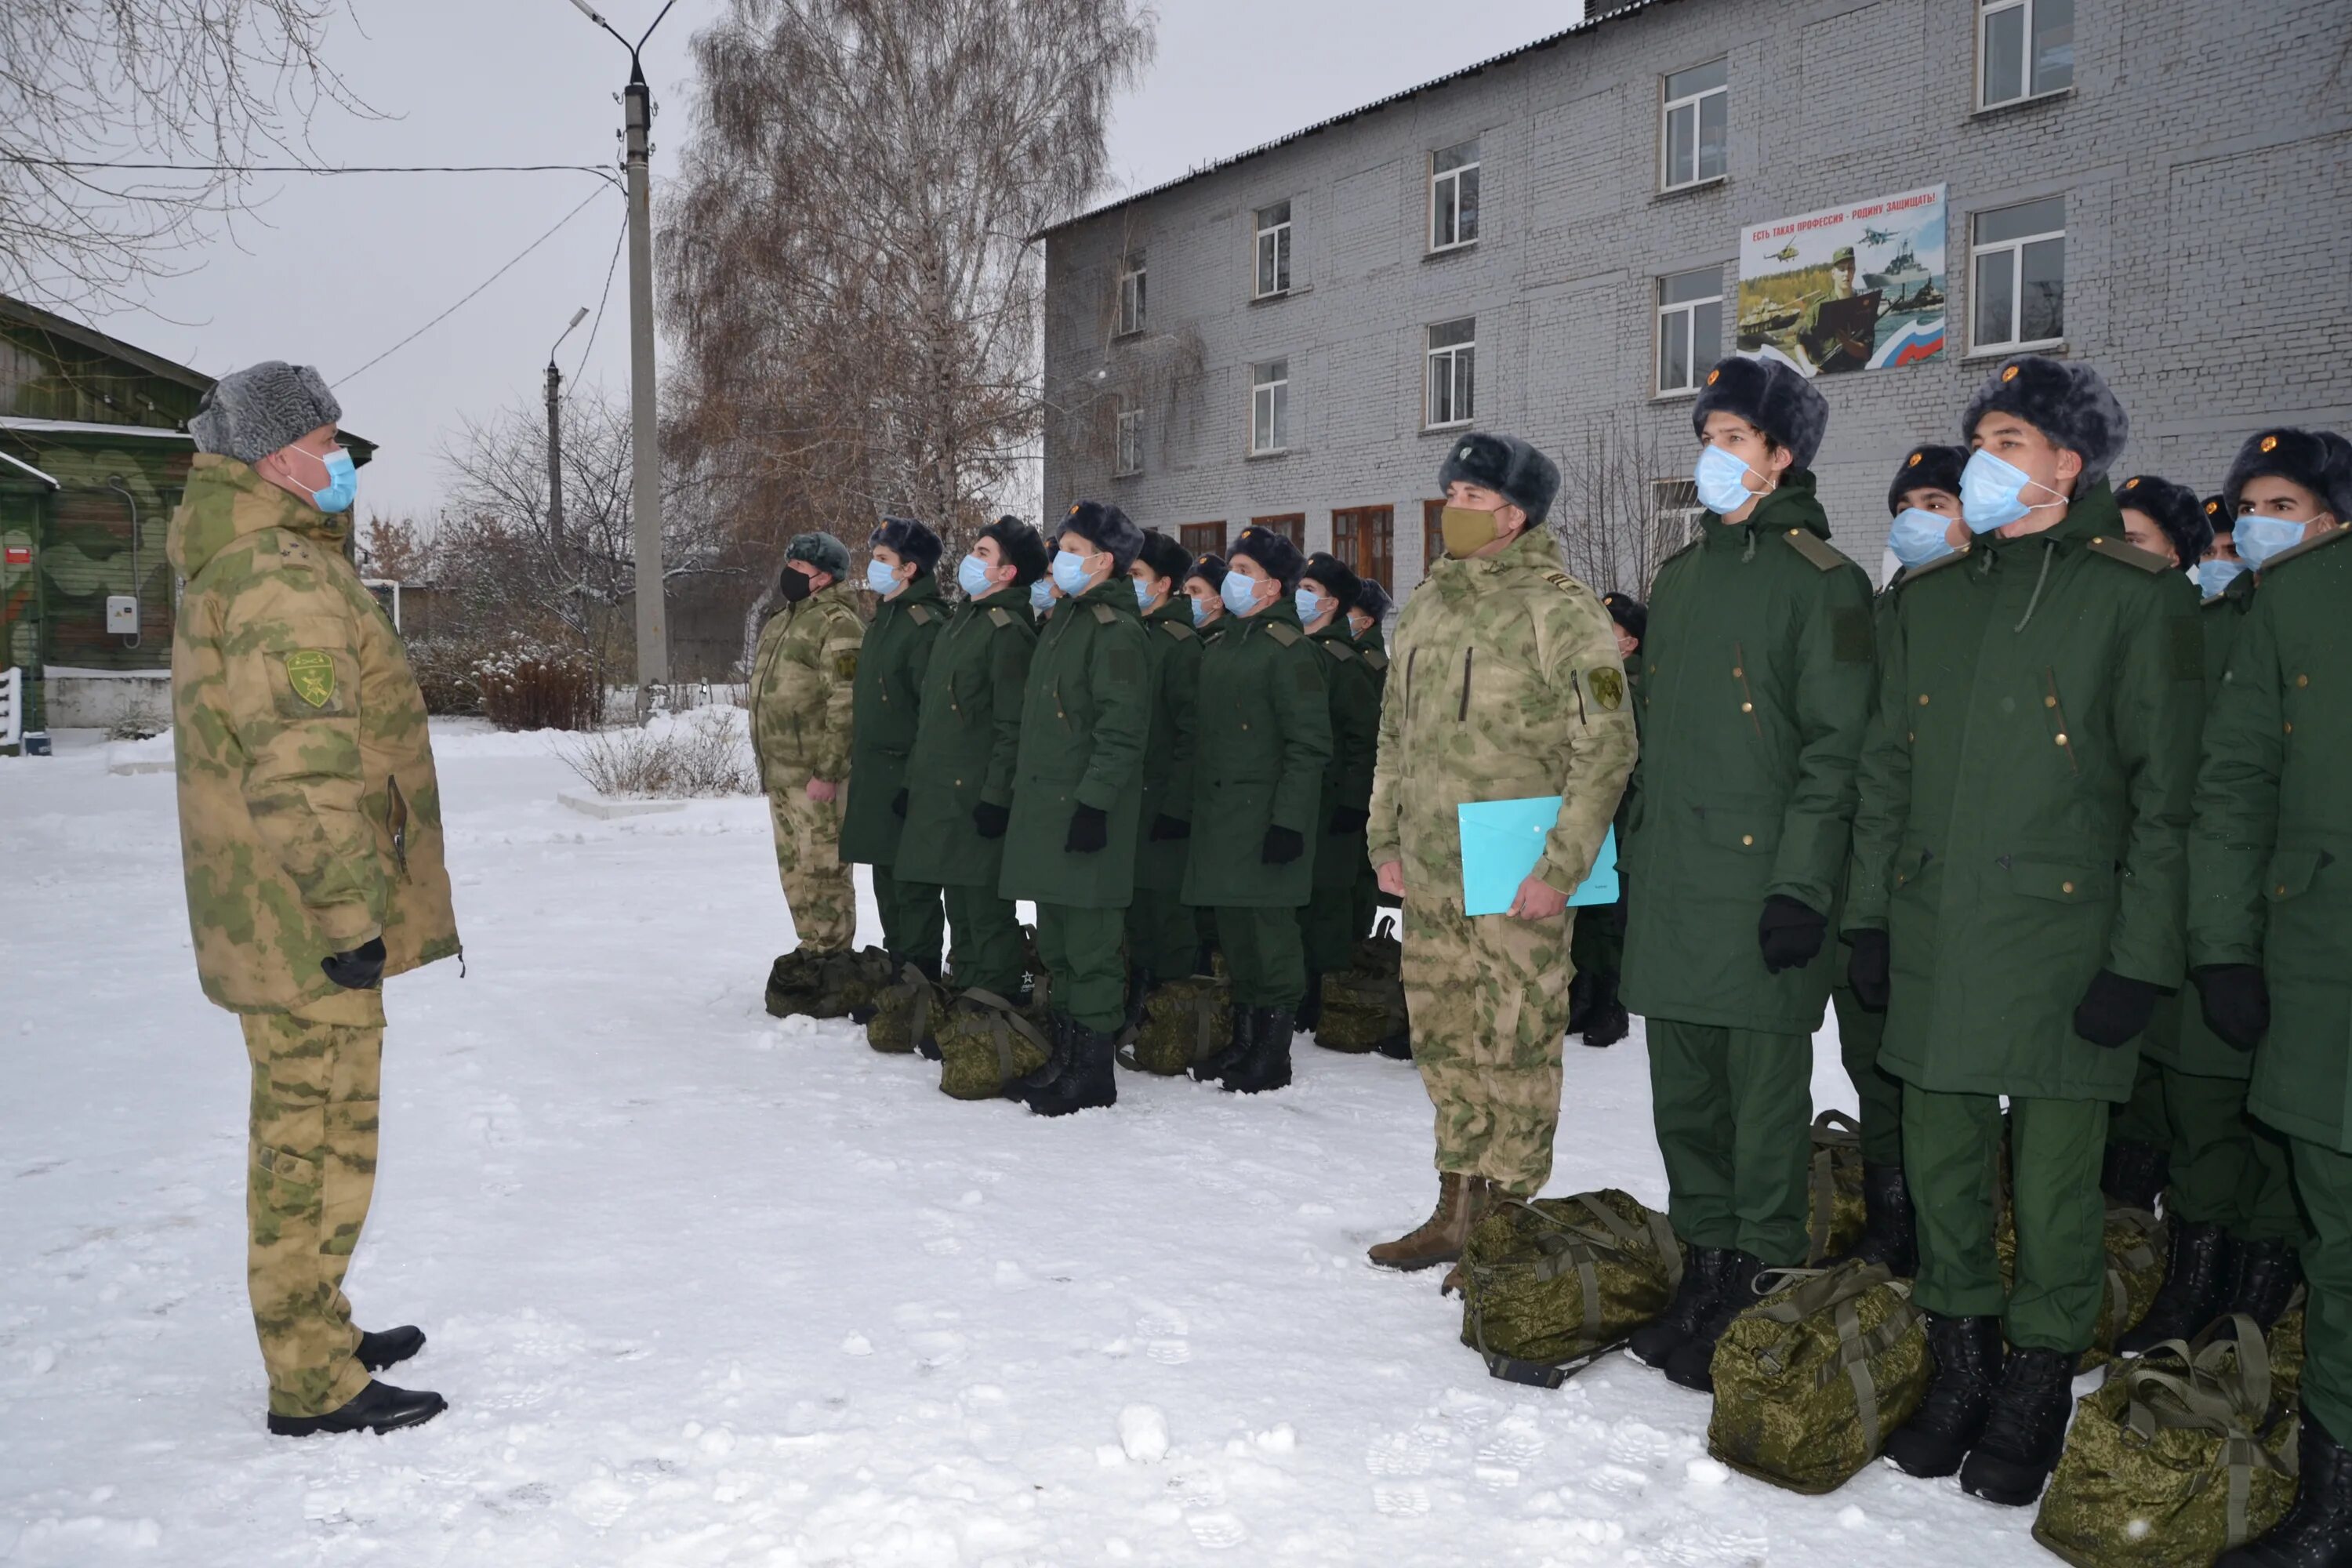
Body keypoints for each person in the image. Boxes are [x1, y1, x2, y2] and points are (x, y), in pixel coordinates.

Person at [1848, 355, 2200, 1507]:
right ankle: (1961, 1366)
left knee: (2055, 1189)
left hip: (2065, 948)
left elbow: (2167, 802)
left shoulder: (2135, 598)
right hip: (1942, 931)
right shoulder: (1931, 601)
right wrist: (1871, 924)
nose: (1985, 465)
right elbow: (1885, 774)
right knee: (1943, 1166)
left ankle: (2036, 1380)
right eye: (1980, 442)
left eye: (2010, 442)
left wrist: (2141, 959)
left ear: (2068, 463)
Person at [170, 361, 459, 1436]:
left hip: (286, 916)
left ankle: (318, 1325)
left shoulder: (273, 561)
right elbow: (299, 771)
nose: (343, 460)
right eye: (329, 442)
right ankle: (310, 1376)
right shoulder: (276, 581)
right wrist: (348, 919)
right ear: (274, 458)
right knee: (314, 1143)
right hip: (304, 926)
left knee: (326, 1138)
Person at [1618, 355, 1876, 1392]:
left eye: (1734, 439)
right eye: (1710, 435)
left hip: (1763, 893)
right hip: (1676, 887)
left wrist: (1802, 887)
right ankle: (1707, 1271)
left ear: (1783, 455)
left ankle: (1762, 1286)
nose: (1713, 455)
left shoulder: (1827, 583)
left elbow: (1837, 755)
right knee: (1685, 1103)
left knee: (1763, 1112)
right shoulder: (1680, 581)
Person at [1364, 433, 1636, 1278]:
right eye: (1452, 491)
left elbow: (1609, 745)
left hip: (1515, 867)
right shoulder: (1429, 605)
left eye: (1473, 497)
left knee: (1515, 1041)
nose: (1455, 507)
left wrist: (1559, 867)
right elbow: (1392, 735)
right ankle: (1457, 1205)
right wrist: (1385, 838)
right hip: (1435, 867)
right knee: (1444, 1037)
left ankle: (1509, 1226)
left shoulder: (1563, 609)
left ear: (1515, 515)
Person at [2190, 426, 2352, 1568]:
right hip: (2327, 967)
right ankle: (2337, 1497)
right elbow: (2235, 789)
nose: (2255, 523)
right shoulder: (2291, 605)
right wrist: (2228, 950)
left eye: (2278, 502)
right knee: (2341, 1240)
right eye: (2247, 503)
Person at [1825, 442, 1969, 1278]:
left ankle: (1951, 1229)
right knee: (1870, 1054)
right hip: (1866, 878)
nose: (1919, 516)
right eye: (1908, 501)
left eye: (1939, 501)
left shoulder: (1988, 619)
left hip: (1949, 885)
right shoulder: (1880, 611)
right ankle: (1892, 1219)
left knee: (1942, 1072)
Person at [1000, 501, 1152, 1116]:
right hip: (1049, 811)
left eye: (1069, 548)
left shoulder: (1116, 631)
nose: (1057, 558)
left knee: (1091, 949)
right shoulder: (1066, 621)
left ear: (1102, 560)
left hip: (1086, 814)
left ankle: (1091, 1073)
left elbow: (1122, 731)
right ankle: (1065, 1056)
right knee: (1060, 946)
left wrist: (1093, 805)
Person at [1181, 524, 1334, 1093]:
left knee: (1270, 936)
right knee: (1237, 934)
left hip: (1267, 819)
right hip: (1224, 819)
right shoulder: (1224, 645)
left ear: (1273, 588)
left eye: (1244, 573)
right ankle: (1245, 1039)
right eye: (1233, 569)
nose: (1232, 580)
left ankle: (1272, 1050)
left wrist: (1289, 822)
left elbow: (1309, 746)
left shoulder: (1289, 652)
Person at [2098, 477, 2211, 1214]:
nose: (2114, 556)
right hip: (2106, 891)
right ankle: (2126, 1229)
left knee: (2194, 1093)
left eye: (2133, 542)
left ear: (2176, 555)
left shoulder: (2198, 633)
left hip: (2189, 895)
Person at [896, 516, 1045, 1007]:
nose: (971, 559)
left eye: (984, 553)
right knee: (958, 905)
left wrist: (997, 798)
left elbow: (1012, 728)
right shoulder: (963, 623)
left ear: (1008, 573)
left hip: (978, 795)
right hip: (943, 793)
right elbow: (934, 717)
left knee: (984, 910)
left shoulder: (1007, 632)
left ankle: (994, 1005)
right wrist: (912, 779)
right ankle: (967, 999)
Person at [751, 531, 866, 1005]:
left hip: (817, 777)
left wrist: (829, 770)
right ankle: (811, 949)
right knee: (794, 872)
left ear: (824, 577)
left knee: (824, 872)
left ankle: (834, 963)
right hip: (781, 773)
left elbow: (847, 703)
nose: (790, 574)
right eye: (790, 564)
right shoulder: (784, 620)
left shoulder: (839, 624)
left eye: (799, 568)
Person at [840, 518, 946, 995]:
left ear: (909, 568)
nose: (873, 567)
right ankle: (900, 977)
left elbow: (934, 715)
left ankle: (920, 986)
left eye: (883, 560)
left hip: (908, 776)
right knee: (887, 880)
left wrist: (915, 781)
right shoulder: (887, 618)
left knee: (913, 887)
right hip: (877, 777)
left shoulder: (924, 625)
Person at [1294, 550, 1381, 1041]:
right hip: (1300, 800)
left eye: (1309, 590)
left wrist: (1353, 801)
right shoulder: (1294, 651)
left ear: (1330, 603)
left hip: (1333, 807)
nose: (1298, 596)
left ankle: (1322, 997)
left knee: (1327, 903)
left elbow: (1363, 739)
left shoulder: (1344, 663)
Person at [1124, 529, 1205, 1018]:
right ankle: (1138, 1002)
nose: (1128, 583)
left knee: (1166, 913)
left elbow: (1192, 736)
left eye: (1136, 575)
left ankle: (1173, 1014)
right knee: (1134, 910)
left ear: (1163, 585)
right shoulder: (1130, 634)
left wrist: (1177, 808)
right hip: (1129, 801)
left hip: (1164, 806)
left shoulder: (1180, 646)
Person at [1565, 590, 1646, 1051]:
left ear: (1629, 643)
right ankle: (1585, 991)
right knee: (1586, 903)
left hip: (1622, 810)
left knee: (1610, 911)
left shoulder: (1625, 683)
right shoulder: (1589, 674)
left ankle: (1611, 1002)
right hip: (1589, 805)